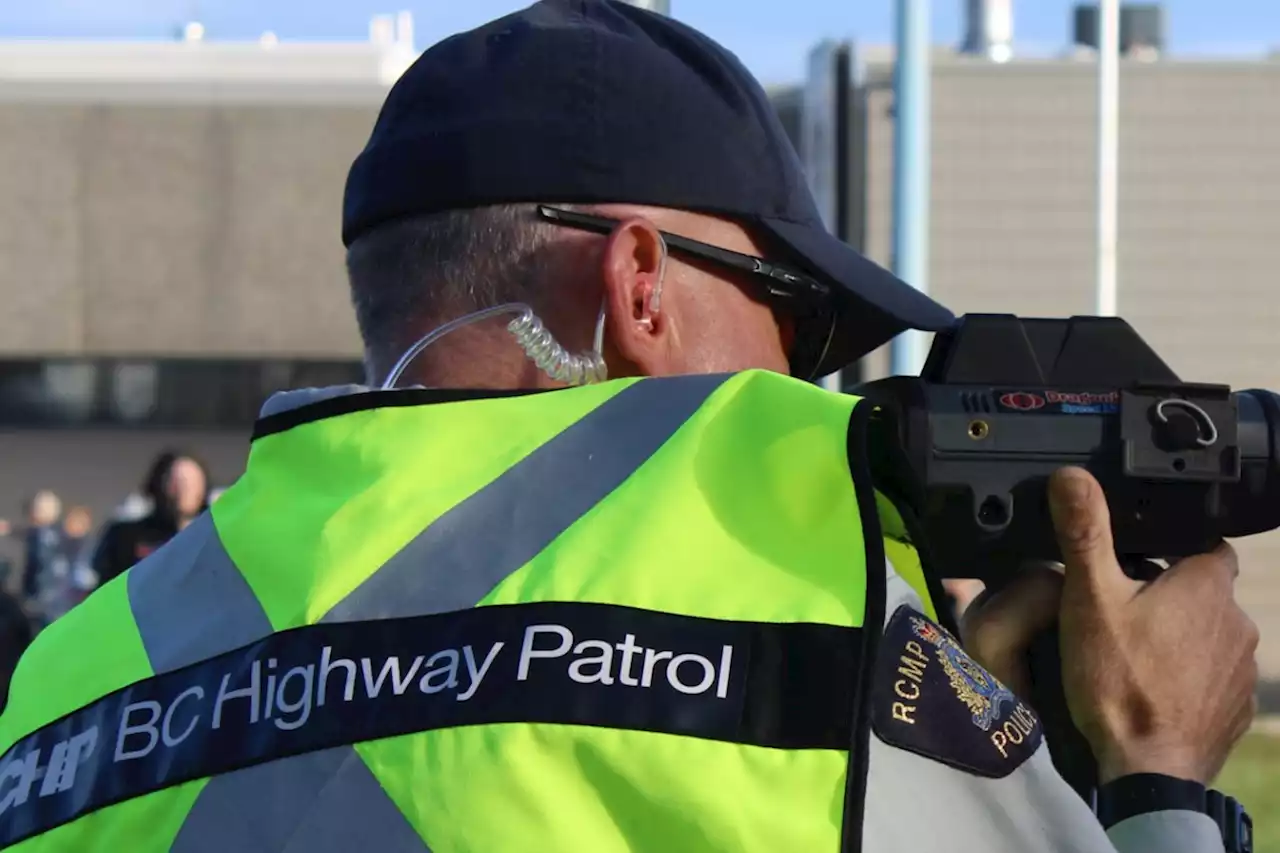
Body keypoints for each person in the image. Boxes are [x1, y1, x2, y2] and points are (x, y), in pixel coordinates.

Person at [0, 3, 1256, 852]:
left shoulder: (69, 678)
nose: (802, 380)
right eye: (796, 321)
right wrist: (1151, 775)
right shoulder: (786, 563)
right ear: (640, 285)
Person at [90, 450, 210, 586]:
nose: (184, 490)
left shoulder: (215, 539)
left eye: (192, 483)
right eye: (177, 483)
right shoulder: (125, 536)